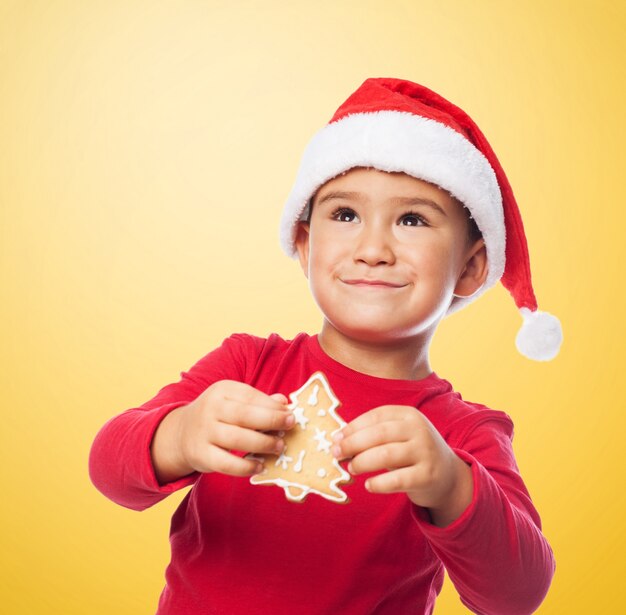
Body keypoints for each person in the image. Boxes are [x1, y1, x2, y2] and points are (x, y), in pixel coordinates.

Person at [89, 77, 562, 614]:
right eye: (344, 215)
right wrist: (177, 436)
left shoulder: (461, 435)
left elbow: (517, 596)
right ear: (305, 242)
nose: (372, 248)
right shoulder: (246, 366)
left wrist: (452, 486)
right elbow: (110, 471)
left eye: (412, 219)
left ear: (471, 267)